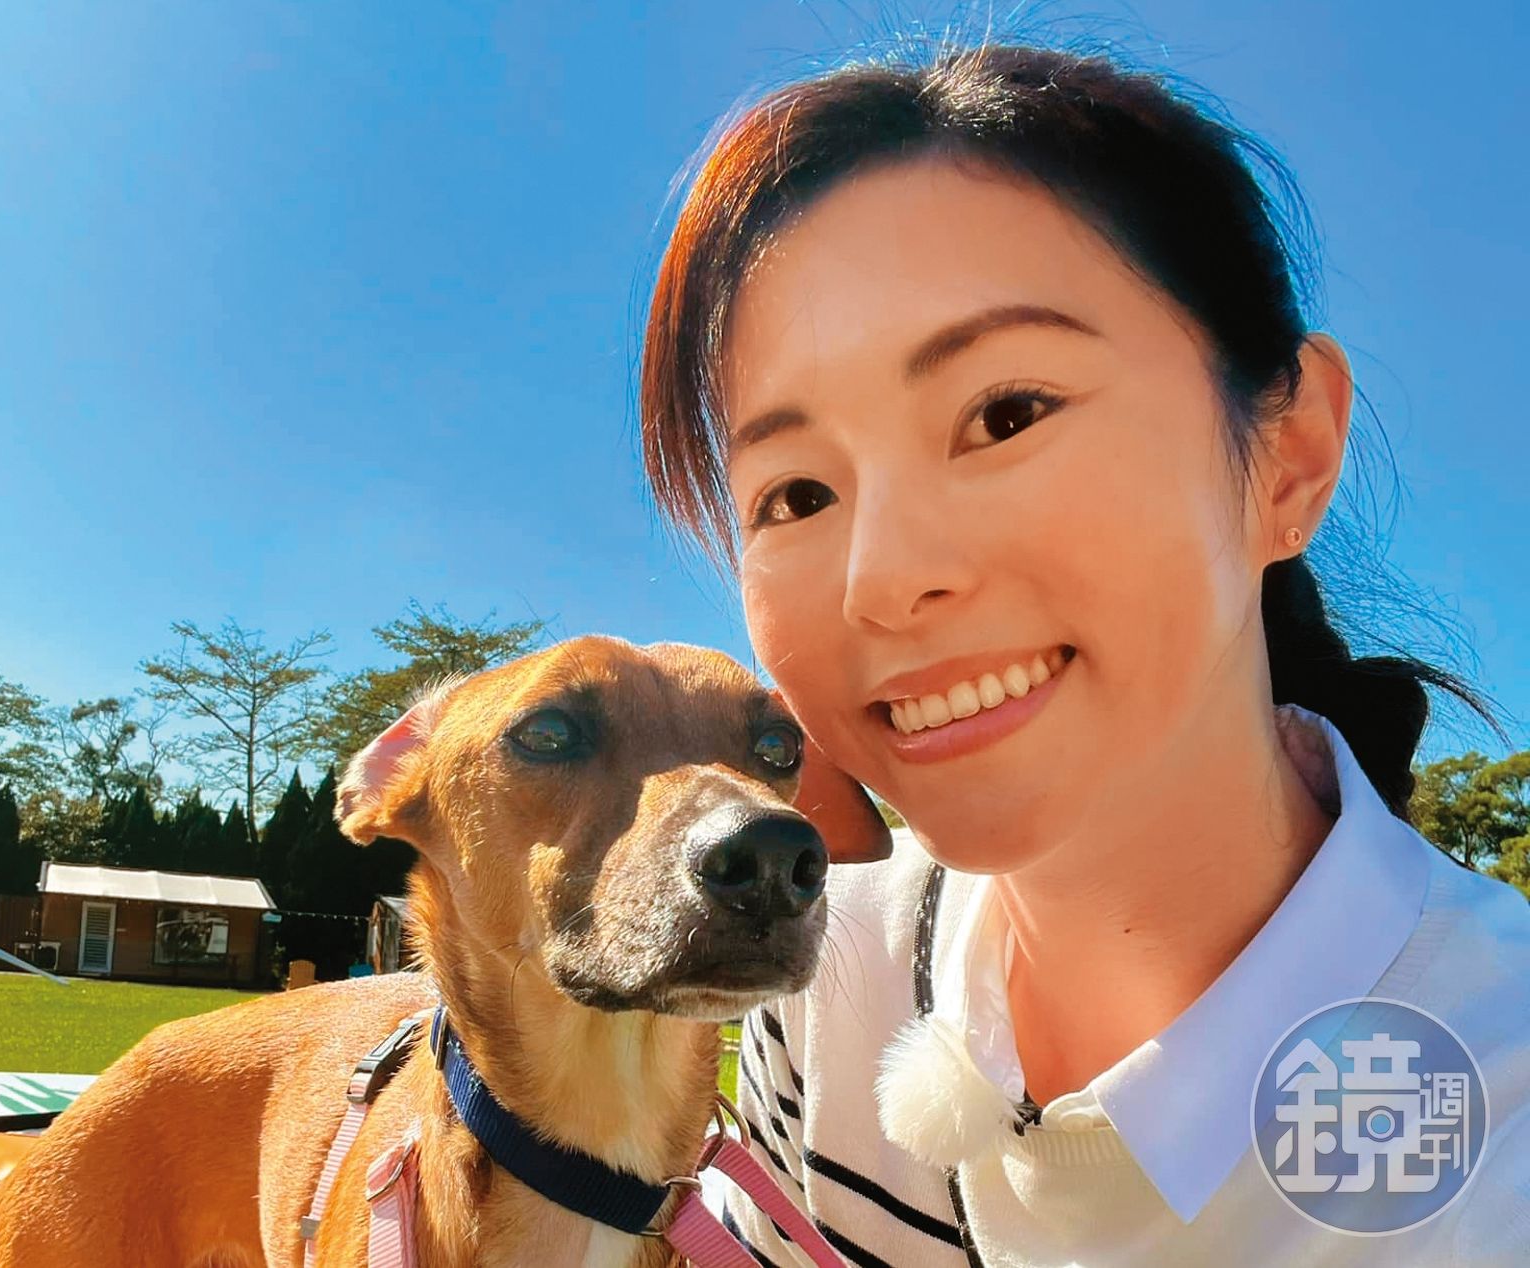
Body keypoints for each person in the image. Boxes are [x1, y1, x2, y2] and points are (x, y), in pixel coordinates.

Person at [638, 41, 1529, 1267]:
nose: (880, 580)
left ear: (1289, 455)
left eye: (1004, 413)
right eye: (794, 494)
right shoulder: (831, 971)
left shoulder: (1494, 1124)